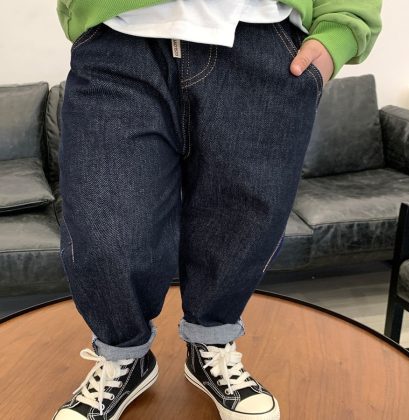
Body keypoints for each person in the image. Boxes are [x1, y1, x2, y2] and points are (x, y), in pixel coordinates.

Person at [53, 1, 382, 419]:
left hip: (261, 38)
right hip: (117, 39)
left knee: (241, 222)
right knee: (105, 228)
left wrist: (341, 32)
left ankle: (211, 341)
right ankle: (124, 355)